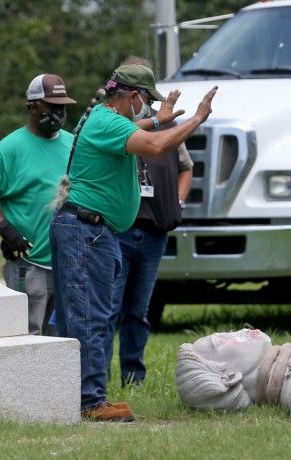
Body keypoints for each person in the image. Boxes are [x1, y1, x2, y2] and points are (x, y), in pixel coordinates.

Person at [50, 64, 217, 422]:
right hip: (86, 231)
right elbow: (155, 146)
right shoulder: (108, 122)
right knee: (89, 317)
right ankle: (91, 402)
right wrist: (197, 119)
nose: (148, 107)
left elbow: (141, 130)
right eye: (147, 101)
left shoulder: (104, 118)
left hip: (92, 230)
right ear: (132, 96)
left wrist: (159, 119)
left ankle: (77, 397)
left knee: (87, 315)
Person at [106, 75, 194, 387]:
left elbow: (186, 167)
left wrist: (178, 202)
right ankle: (99, 379)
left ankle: (134, 378)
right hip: (119, 231)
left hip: (155, 231)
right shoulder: (114, 126)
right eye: (144, 95)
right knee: (109, 309)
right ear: (131, 94)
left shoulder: (167, 127)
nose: (147, 103)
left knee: (138, 311)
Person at [0, 74, 78, 336]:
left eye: (62, 107)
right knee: (27, 339)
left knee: (62, 340)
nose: (58, 113)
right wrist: (5, 228)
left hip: (67, 262)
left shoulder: (72, 144)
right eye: (51, 106)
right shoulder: (11, 147)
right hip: (29, 264)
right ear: (31, 107)